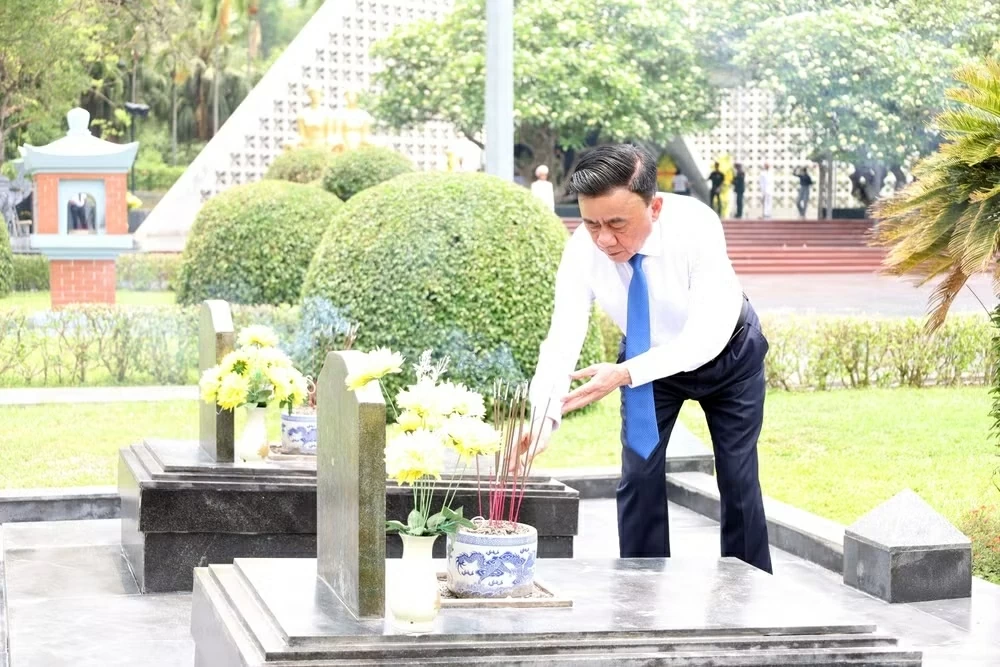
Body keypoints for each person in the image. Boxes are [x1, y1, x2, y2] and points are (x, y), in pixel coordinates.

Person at [518, 143, 772, 574]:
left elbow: (704, 336)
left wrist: (626, 373)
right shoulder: (584, 248)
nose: (604, 239)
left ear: (654, 207)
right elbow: (562, 337)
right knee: (638, 474)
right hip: (645, 360)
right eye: (592, 222)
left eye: (617, 224)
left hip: (727, 355)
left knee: (738, 477)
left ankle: (749, 585)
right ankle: (641, 585)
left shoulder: (696, 226)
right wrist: (543, 417)